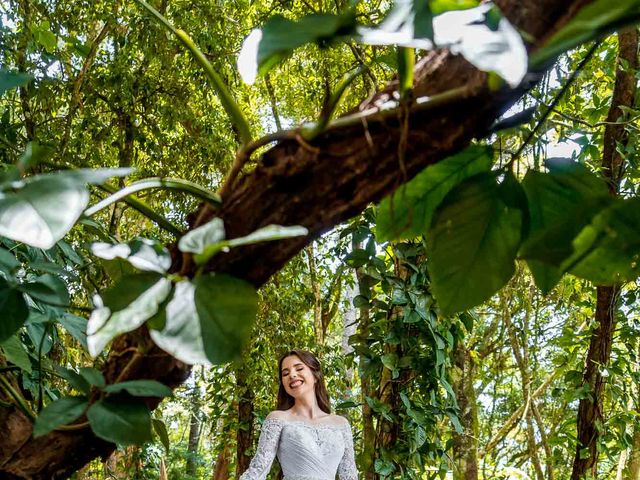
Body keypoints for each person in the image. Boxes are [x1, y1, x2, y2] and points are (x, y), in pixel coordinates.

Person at [238, 349, 359, 480]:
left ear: (315, 375)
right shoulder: (277, 419)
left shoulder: (340, 424)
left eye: (299, 368)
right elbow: (257, 471)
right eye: (285, 373)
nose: (292, 375)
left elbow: (350, 476)